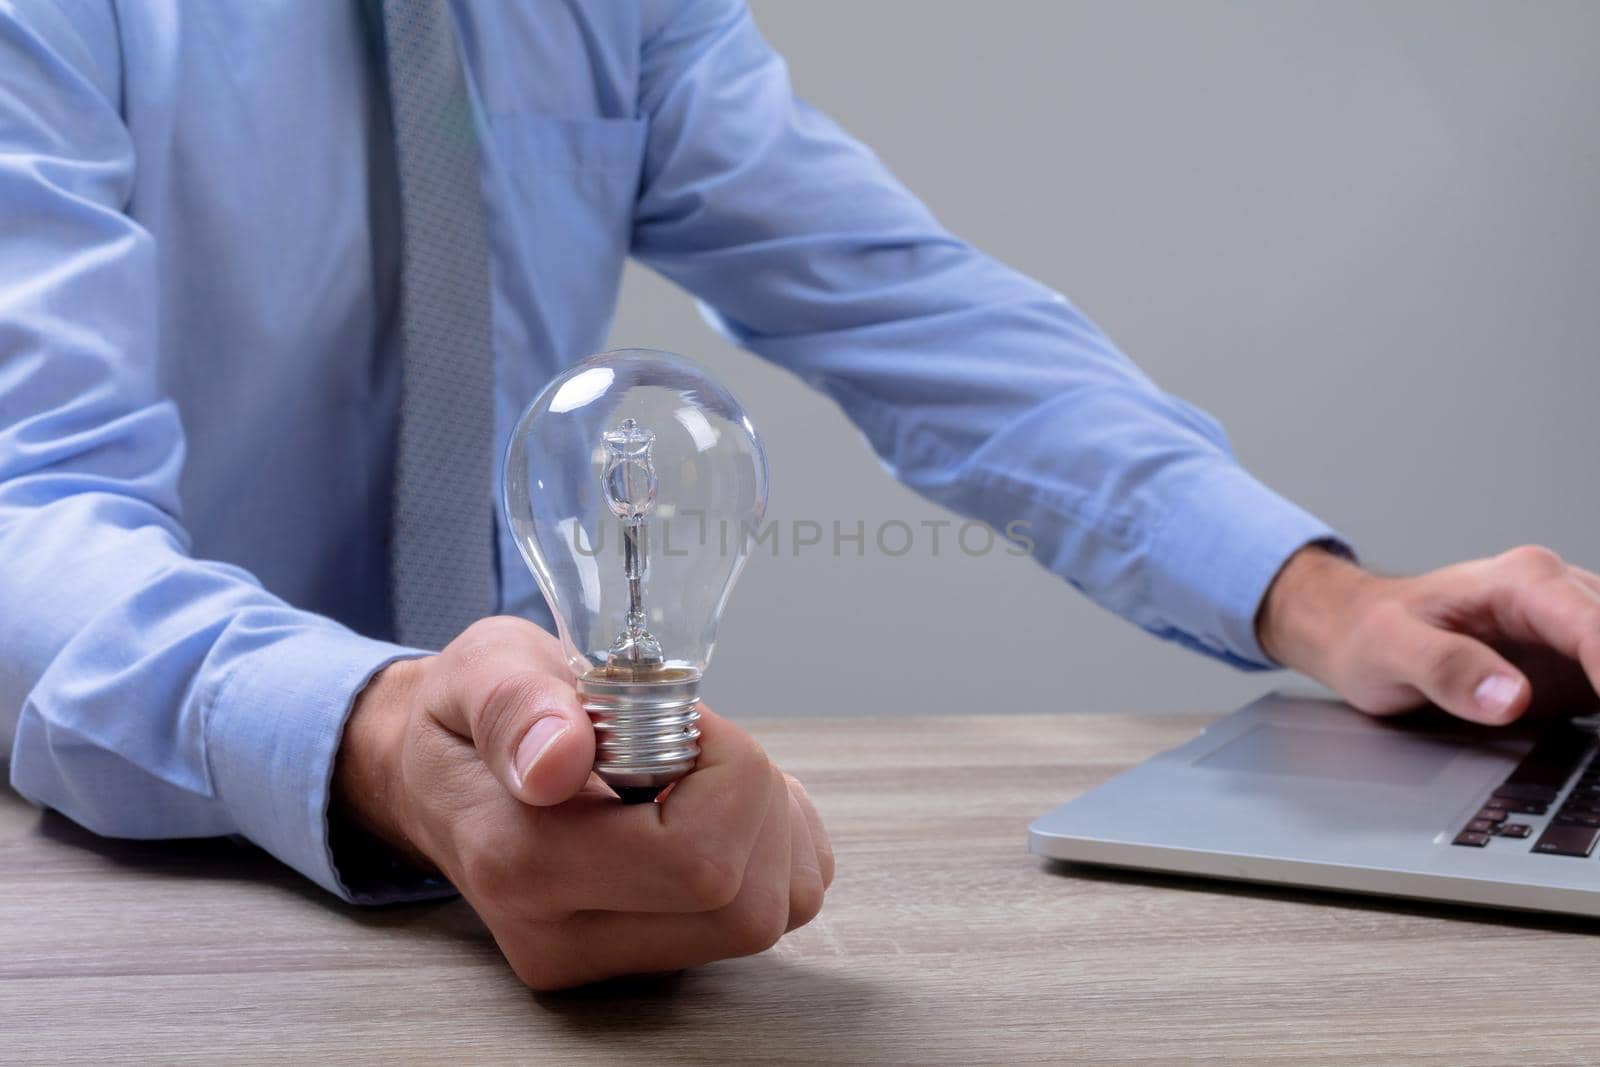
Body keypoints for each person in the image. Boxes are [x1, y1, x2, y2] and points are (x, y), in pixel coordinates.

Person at [0, 0, 1594, 992]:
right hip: (128, 893)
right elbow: (27, 505)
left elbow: (901, 303)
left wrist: (1324, 595)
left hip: (529, 877)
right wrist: (370, 735)